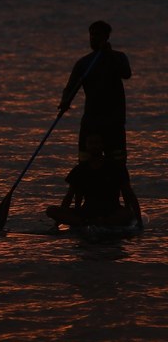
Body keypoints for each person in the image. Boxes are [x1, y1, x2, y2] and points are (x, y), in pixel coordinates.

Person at [58, 20, 132, 164]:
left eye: (97, 35)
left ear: (106, 37)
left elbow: (126, 73)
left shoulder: (118, 57)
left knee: (117, 163)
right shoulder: (84, 63)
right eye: (91, 35)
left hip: (114, 122)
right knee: (86, 163)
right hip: (91, 121)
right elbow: (70, 87)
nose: (93, 38)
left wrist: (109, 54)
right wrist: (65, 101)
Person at [45, 134, 142, 229]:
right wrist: (57, 224)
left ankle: (102, 222)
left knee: (128, 214)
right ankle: (87, 223)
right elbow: (69, 197)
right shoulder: (80, 169)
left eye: (97, 143)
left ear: (102, 145)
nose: (94, 146)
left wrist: (139, 221)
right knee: (51, 210)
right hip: (87, 211)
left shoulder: (115, 167)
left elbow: (129, 194)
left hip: (111, 210)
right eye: (91, 143)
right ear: (86, 146)